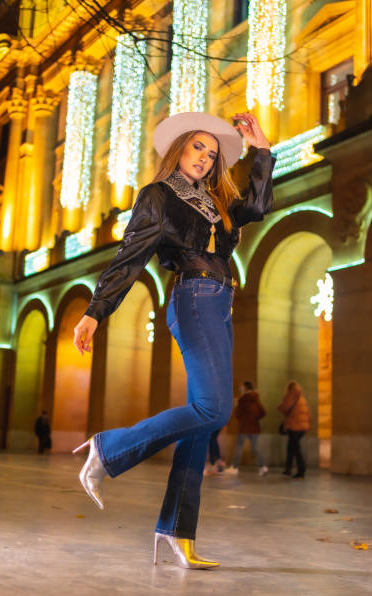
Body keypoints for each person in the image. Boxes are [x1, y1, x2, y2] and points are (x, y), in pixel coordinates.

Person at [72, 111, 275, 569]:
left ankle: (177, 530)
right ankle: (110, 450)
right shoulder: (159, 196)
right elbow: (131, 256)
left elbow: (258, 205)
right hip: (194, 296)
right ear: (179, 149)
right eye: (196, 147)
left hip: (219, 303)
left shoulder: (216, 204)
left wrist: (261, 148)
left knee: (202, 422)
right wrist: (95, 311)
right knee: (213, 410)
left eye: (211, 152)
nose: (204, 157)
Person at [225, 381, 268, 476]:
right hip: (254, 427)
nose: (240, 388)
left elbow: (238, 415)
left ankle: (235, 468)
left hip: (244, 427)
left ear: (245, 388)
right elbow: (263, 412)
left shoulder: (242, 399)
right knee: (255, 448)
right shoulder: (256, 398)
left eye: (242, 386)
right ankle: (263, 466)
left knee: (239, 447)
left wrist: (236, 405)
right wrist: (254, 418)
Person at [278, 381, 311, 478]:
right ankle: (288, 469)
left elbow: (284, 407)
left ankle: (301, 471)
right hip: (302, 427)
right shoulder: (302, 398)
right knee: (291, 447)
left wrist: (279, 406)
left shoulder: (290, 395)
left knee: (296, 449)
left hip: (294, 426)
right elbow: (308, 413)